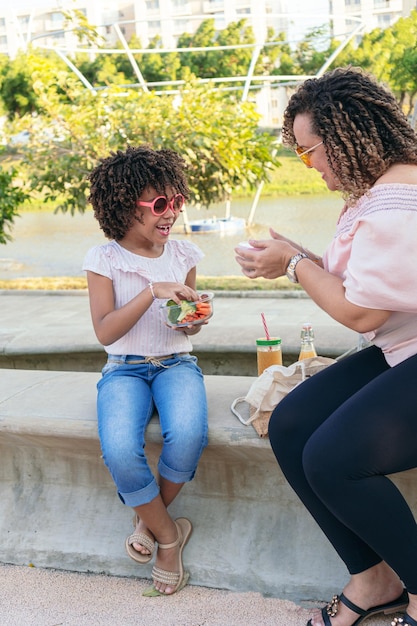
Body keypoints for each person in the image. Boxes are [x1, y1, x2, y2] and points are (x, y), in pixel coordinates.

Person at [234, 67, 417, 626]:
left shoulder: (395, 203)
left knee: (333, 458)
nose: (305, 163)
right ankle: (373, 577)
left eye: (308, 150)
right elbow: (369, 285)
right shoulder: (384, 189)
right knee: (291, 423)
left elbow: (360, 310)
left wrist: (291, 265)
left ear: (343, 138)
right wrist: (299, 255)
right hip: (402, 346)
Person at [83, 145, 209, 596]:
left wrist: (194, 318)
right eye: (159, 205)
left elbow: (184, 332)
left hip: (177, 363)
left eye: (175, 202)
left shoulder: (185, 253)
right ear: (123, 207)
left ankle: (145, 522)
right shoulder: (105, 259)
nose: (170, 213)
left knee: (190, 435)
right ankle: (170, 537)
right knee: (119, 451)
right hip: (124, 370)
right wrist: (150, 292)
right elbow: (105, 332)